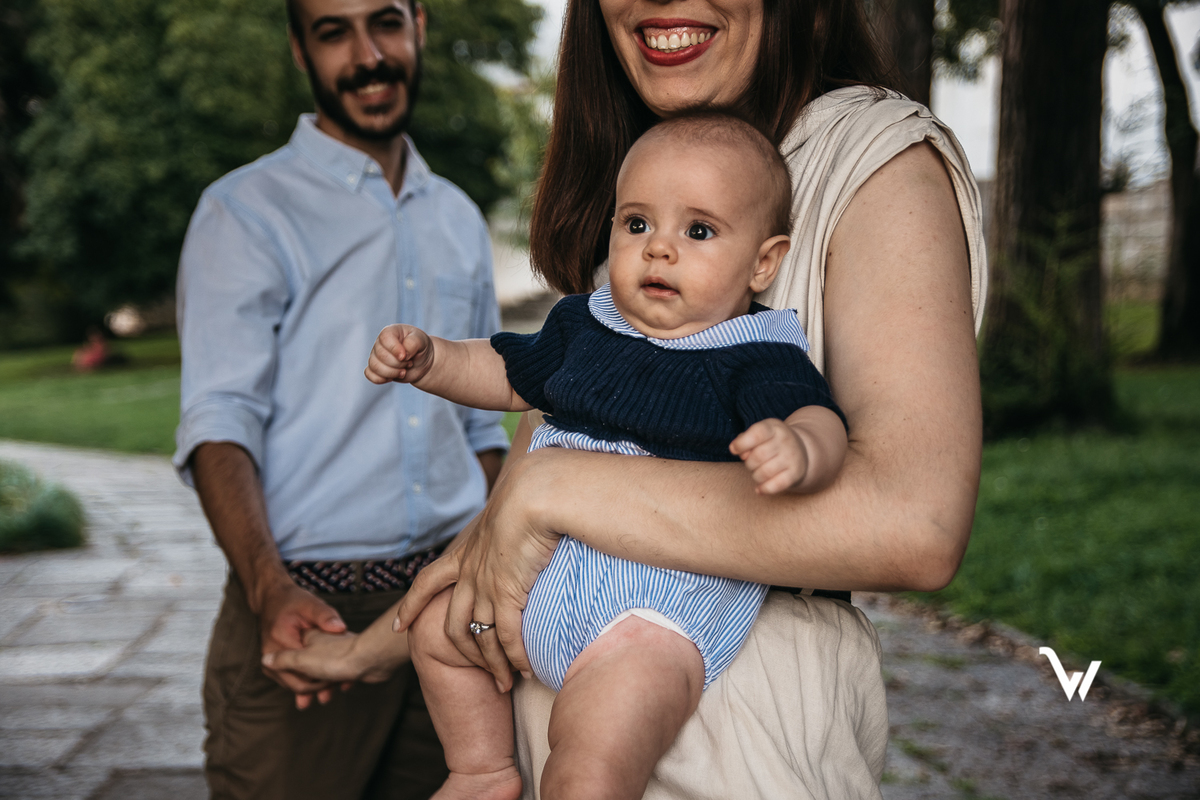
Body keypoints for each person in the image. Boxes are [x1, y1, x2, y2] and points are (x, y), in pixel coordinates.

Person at [273, 0, 989, 797]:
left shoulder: (867, 160)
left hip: (721, 716)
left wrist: (561, 486)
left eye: (698, 232)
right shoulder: (641, 231)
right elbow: (509, 524)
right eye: (637, 223)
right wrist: (370, 649)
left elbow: (914, 524)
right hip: (548, 693)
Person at [280, 113, 849, 800]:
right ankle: (480, 770)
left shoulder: (753, 355)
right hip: (535, 585)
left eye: (697, 231)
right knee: (438, 627)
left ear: (764, 260)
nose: (658, 250)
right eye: (637, 224)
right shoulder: (584, 324)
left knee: (587, 764)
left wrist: (799, 448)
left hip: (649, 623)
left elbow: (820, 418)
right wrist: (433, 360)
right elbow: (508, 372)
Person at [172, 0, 509, 797]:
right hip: (303, 614)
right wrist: (268, 588)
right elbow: (220, 423)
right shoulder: (243, 212)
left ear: (419, 26)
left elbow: (480, 422)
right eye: (333, 32)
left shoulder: (458, 217)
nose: (367, 56)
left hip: (452, 615)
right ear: (300, 50)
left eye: (385, 23)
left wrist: (491, 563)